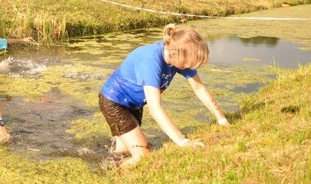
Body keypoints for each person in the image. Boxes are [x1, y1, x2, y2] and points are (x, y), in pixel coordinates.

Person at [98, 24, 230, 167]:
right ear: (174, 54)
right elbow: (155, 108)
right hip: (114, 102)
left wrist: (222, 120)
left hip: (133, 104)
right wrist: (182, 141)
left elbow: (198, 88)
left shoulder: (177, 57)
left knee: (123, 152)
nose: (189, 68)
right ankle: (111, 175)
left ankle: (112, 165)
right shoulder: (151, 61)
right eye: (187, 64)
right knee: (143, 155)